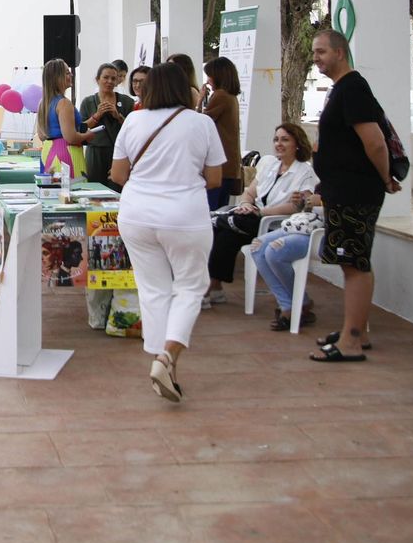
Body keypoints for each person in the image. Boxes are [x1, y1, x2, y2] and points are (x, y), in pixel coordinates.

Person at [109, 61, 226, 403]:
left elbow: (118, 174)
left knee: (153, 290)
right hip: (184, 215)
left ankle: (166, 366)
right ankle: (167, 357)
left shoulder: (133, 121)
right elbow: (215, 179)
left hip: (136, 214)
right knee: (191, 286)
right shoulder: (201, 123)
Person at [309, 28, 399, 362]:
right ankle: (356, 328)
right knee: (351, 263)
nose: (316, 58)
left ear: (340, 52)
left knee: (354, 263)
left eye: (321, 52)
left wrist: (386, 178)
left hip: (355, 192)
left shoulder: (353, 88)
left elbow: (375, 142)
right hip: (342, 190)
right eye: (314, 52)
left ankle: (352, 341)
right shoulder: (342, 89)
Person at [243, 124, 322, 330]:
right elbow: (304, 203)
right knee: (257, 247)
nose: (279, 144)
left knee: (273, 250)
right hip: (291, 226)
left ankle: (292, 306)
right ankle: (293, 304)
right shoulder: (272, 166)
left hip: (311, 230)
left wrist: (307, 201)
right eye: (276, 139)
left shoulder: (307, 171)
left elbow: (305, 207)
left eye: (285, 139)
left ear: (298, 144)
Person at [37, 58, 103, 177]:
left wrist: (95, 118)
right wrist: (88, 135)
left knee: (51, 188)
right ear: (57, 78)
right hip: (66, 155)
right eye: (67, 73)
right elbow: (71, 137)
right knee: (75, 188)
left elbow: (41, 135)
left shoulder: (43, 103)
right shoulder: (63, 103)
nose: (71, 75)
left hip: (47, 153)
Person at [199, 56, 244, 214]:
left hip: (219, 165)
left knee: (211, 211)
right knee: (220, 209)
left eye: (209, 76)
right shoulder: (231, 97)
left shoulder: (220, 95)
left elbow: (201, 122)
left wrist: (199, 100)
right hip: (230, 165)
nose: (208, 80)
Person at [78, 62, 130, 188]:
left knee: (117, 188)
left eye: (113, 78)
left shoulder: (127, 101)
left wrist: (118, 116)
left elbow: (132, 128)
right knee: (94, 189)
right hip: (95, 154)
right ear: (98, 79)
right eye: (106, 77)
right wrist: (97, 115)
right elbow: (81, 128)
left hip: (118, 153)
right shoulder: (88, 102)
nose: (109, 81)